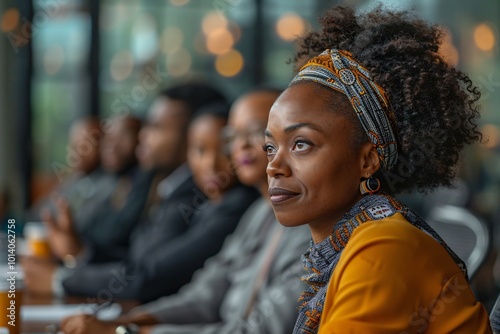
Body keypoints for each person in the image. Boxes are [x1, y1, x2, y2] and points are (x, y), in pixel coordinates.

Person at [263, 6, 493, 333]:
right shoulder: (351, 244)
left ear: (368, 160)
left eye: (302, 143)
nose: (274, 165)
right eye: (270, 147)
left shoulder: (384, 247)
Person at [59, 89, 311, 334]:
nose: (243, 146)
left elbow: (256, 329)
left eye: (257, 133)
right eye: (233, 136)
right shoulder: (258, 212)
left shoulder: (296, 223)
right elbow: (204, 296)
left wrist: (123, 330)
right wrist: (127, 323)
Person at [22, 83, 258, 303]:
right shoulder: (165, 186)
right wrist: (79, 250)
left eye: (156, 127)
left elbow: (150, 275)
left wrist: (60, 279)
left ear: (189, 136)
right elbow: (137, 261)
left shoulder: (216, 200)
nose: (142, 137)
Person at [44, 115, 153, 265]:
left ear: (142, 139)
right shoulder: (114, 180)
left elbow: (112, 238)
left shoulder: (142, 181)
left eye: (124, 135)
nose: (112, 144)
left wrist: (75, 241)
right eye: (109, 137)